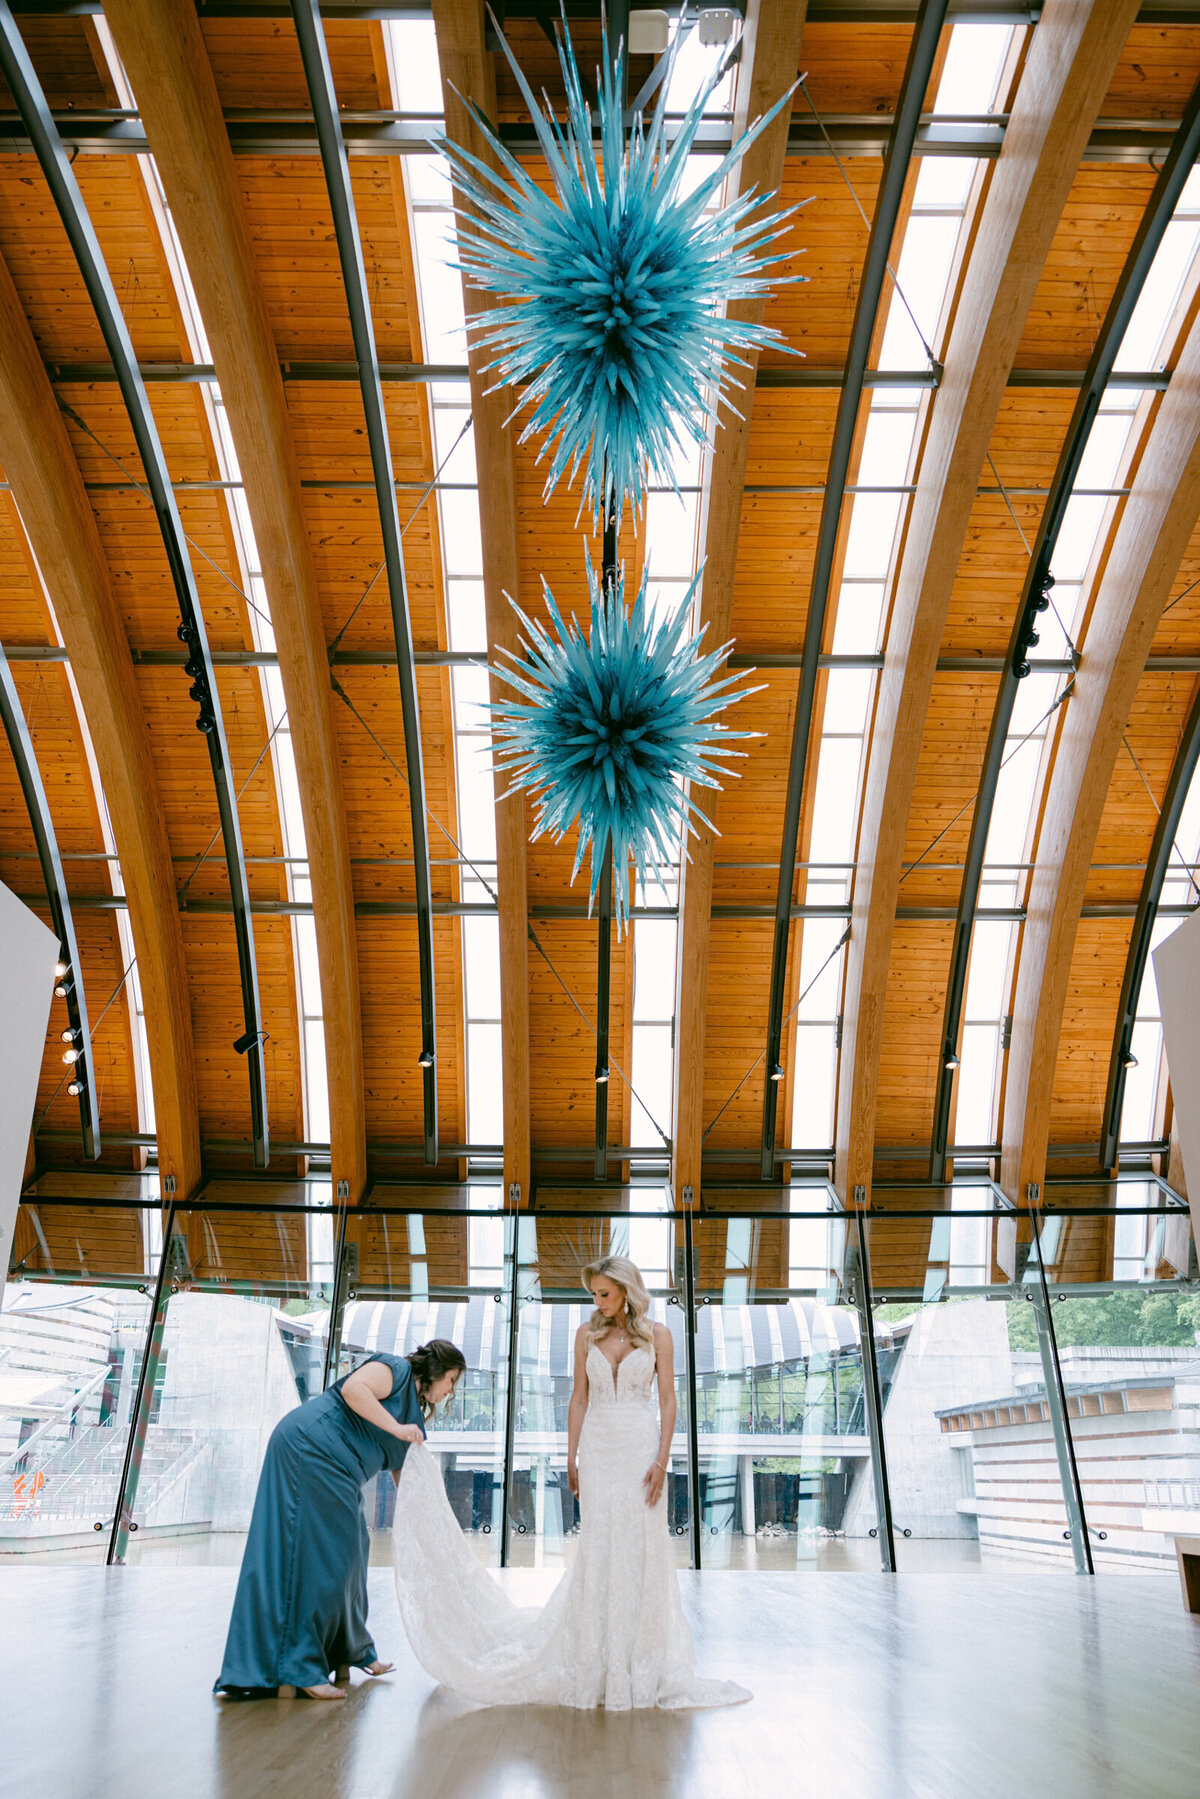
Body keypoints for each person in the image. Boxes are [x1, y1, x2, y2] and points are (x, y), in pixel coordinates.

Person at [391, 1257, 750, 1710]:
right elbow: (579, 1398)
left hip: (641, 1448)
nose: (597, 1303)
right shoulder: (586, 1335)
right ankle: (595, 1654)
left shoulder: (659, 1336)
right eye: (593, 1294)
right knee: (600, 1542)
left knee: (643, 1544)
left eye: (604, 1293)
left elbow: (668, 1399)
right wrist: (571, 1455)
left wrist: (663, 1460)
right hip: (599, 1449)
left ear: (626, 1290)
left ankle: (639, 1658)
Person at [214, 1337, 465, 1700]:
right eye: (452, 1381)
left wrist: (431, 1535)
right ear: (437, 1371)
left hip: (338, 1468)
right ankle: (299, 1668)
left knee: (353, 1551)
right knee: (323, 1560)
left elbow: (405, 1479)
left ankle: (349, 1651)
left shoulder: (412, 1418)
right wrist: (396, 1430)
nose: (451, 1392)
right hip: (310, 1447)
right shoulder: (394, 1370)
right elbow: (353, 1390)